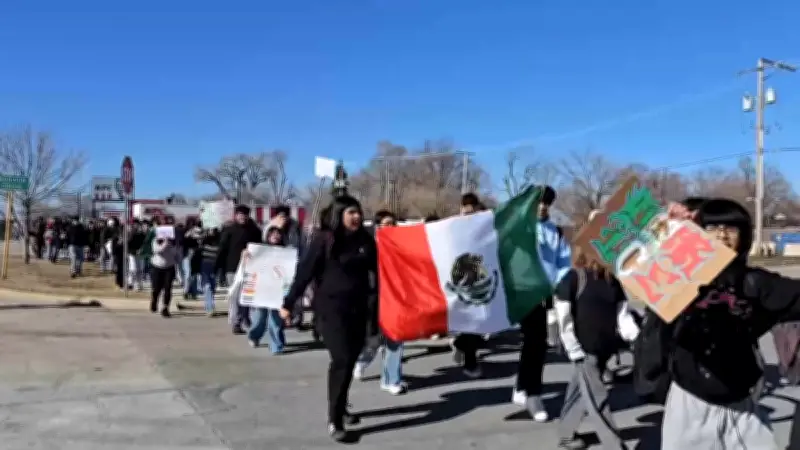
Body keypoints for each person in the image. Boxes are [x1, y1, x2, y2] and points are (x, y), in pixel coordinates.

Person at [659, 198, 800, 448]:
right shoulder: (678, 274)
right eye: (712, 228)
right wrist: (668, 232)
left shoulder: (755, 282)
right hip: (690, 400)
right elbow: (635, 259)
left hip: (741, 401)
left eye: (731, 228)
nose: (722, 234)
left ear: (744, 237)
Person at [280, 195, 377, 442]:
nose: (356, 217)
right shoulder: (324, 240)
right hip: (331, 311)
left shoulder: (366, 240)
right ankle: (334, 420)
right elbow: (304, 273)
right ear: (339, 215)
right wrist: (288, 303)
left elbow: (378, 271)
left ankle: (342, 406)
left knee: (351, 358)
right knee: (342, 359)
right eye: (350, 213)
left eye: (358, 212)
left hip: (359, 308)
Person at [554, 244, 639, 450]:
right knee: (597, 398)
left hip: (605, 348)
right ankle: (615, 445)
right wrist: (573, 347)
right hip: (584, 349)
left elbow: (622, 314)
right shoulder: (574, 278)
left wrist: (636, 338)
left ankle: (566, 434)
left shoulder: (611, 280)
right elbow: (563, 316)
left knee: (578, 393)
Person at [512, 185, 572, 422]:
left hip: (540, 294)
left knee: (535, 343)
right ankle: (524, 386)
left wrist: (557, 286)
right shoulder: (516, 228)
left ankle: (531, 392)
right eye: (538, 202)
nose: (542, 207)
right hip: (517, 291)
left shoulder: (555, 231)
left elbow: (563, 262)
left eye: (546, 203)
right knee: (532, 342)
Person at [352, 210, 406, 395]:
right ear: (378, 226)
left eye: (393, 224)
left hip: (395, 300)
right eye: (386, 224)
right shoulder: (368, 246)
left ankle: (391, 380)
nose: (390, 227)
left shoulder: (401, 248)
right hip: (373, 300)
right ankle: (361, 362)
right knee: (372, 342)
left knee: (395, 340)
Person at [217, 205, 263, 334]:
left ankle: (245, 319)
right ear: (236, 215)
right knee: (235, 296)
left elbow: (260, 248)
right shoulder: (229, 230)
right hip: (232, 268)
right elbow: (222, 250)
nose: (242, 216)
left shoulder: (255, 231)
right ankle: (236, 322)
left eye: (245, 214)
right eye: (240, 214)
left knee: (247, 296)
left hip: (250, 267)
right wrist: (219, 269)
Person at [248, 226, 288, 353]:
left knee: (275, 320)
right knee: (259, 317)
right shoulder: (259, 251)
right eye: (273, 233)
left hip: (278, 290)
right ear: (268, 236)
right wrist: (246, 255)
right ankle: (254, 336)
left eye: (278, 234)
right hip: (261, 289)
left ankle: (277, 345)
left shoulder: (287, 253)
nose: (275, 236)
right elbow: (250, 267)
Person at [150, 235, 177, 317]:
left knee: (168, 288)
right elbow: (157, 251)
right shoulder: (155, 240)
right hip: (157, 267)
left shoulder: (173, 241)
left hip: (169, 267)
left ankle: (165, 308)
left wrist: (170, 245)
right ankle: (154, 300)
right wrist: (164, 243)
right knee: (156, 288)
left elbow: (175, 252)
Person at [200, 227, 221, 317]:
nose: (212, 232)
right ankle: (209, 308)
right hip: (205, 267)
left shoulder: (220, 243)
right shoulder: (204, 241)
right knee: (208, 287)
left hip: (215, 267)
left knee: (212, 287)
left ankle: (210, 305)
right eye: (210, 230)